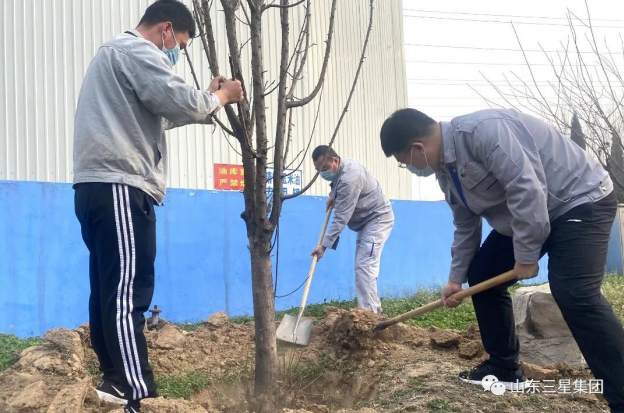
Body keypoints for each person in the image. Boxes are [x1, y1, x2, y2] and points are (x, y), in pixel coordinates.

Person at [379, 108, 624, 412]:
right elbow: (466, 225)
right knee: (482, 274)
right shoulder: (446, 171)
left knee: (574, 294)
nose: (410, 168)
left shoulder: (483, 132)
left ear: (417, 147)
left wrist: (525, 255)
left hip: (578, 201)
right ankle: (505, 368)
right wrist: (455, 279)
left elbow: (527, 188)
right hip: (530, 214)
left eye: (405, 163)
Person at [72, 1, 243, 412]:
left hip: (95, 186)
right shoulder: (138, 51)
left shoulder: (113, 56)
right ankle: (135, 392)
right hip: (121, 185)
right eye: (179, 45)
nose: (176, 54)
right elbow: (178, 101)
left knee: (108, 288)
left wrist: (206, 96)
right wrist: (221, 95)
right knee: (129, 290)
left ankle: (114, 381)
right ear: (167, 29)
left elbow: (164, 108)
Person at [310, 145, 394, 314]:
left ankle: (369, 315)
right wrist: (332, 195)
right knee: (362, 266)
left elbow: (341, 217)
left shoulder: (350, 177)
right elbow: (337, 185)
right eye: (318, 170)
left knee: (364, 266)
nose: (322, 173)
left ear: (335, 160)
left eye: (323, 168)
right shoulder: (341, 168)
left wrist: (323, 246)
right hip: (365, 222)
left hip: (377, 219)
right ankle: (373, 310)